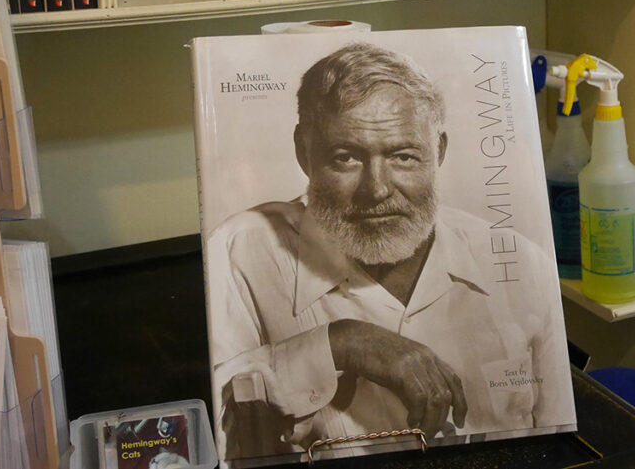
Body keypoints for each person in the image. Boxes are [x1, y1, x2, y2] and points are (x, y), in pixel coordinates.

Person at [207, 42, 567, 460]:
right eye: (346, 158)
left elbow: (557, 439)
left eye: (403, 156)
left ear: (439, 153)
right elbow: (210, 426)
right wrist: (339, 343)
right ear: (304, 154)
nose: (377, 189)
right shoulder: (241, 252)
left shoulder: (519, 262)